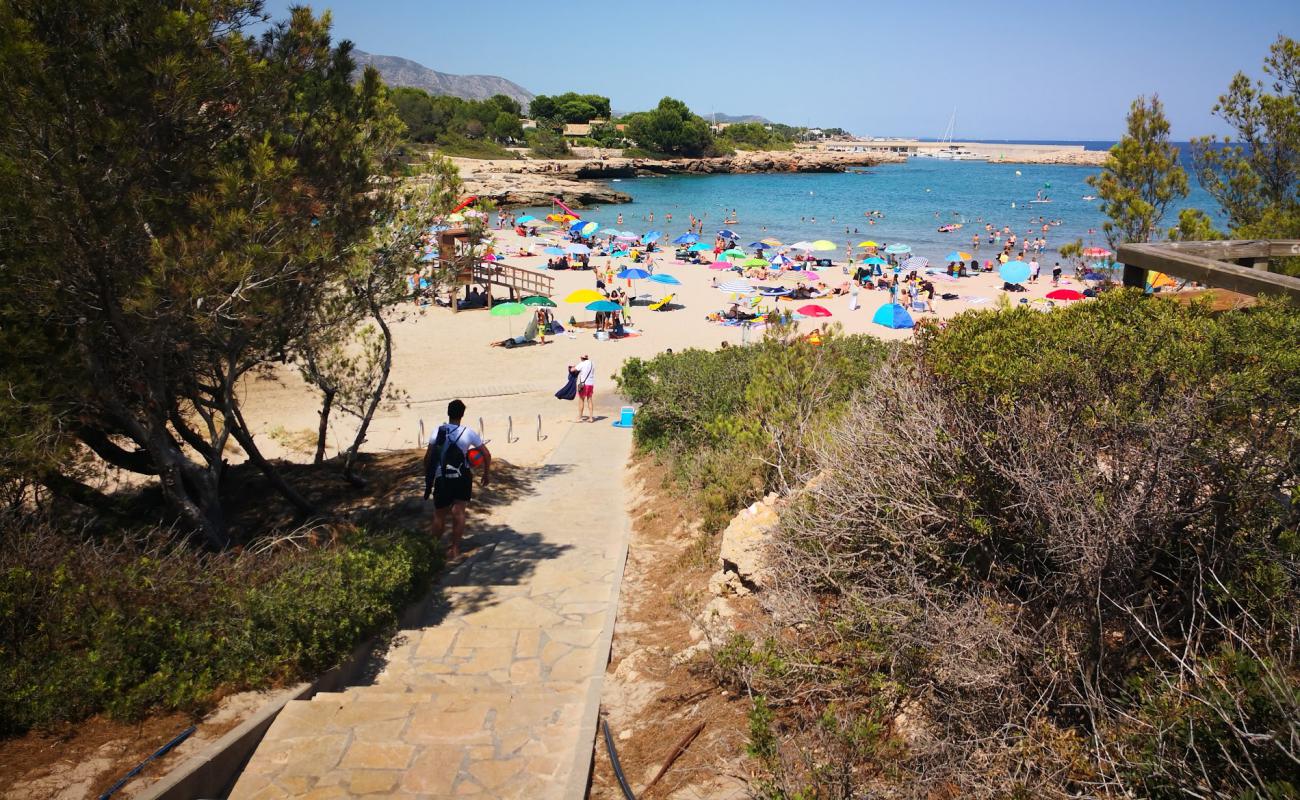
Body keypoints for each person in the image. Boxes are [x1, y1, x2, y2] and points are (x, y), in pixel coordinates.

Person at [425, 400, 490, 560]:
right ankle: (454, 549)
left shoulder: (437, 431)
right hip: (462, 477)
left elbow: (428, 457)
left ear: (448, 413)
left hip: (443, 477)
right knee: (459, 512)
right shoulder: (468, 433)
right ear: (462, 414)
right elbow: (487, 454)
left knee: (439, 514)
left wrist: (429, 477)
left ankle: (432, 551)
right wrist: (486, 473)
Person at [574, 354, 596, 422]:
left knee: (581, 400)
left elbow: (573, 370)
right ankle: (591, 417)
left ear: (582, 358)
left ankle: (580, 417)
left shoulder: (582, 363)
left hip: (583, 385)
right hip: (591, 384)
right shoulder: (592, 363)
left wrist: (571, 368)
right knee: (589, 400)